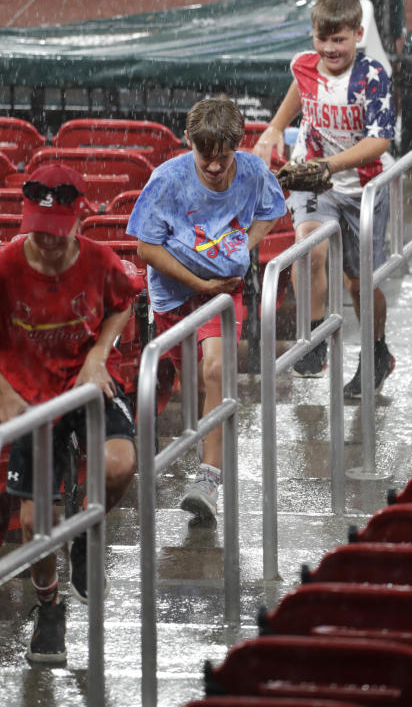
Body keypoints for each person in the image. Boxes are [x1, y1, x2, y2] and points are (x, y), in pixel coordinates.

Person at [0, 163, 143, 664]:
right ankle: (48, 605)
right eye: (40, 231)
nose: (48, 244)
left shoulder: (98, 260)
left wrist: (99, 352)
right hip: (32, 395)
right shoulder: (3, 267)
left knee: (120, 464)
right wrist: (2, 388)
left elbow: (124, 303)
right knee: (34, 522)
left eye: (58, 233)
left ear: (78, 219)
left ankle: (81, 534)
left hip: (85, 383)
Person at [127, 96, 286, 521]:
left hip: (222, 291)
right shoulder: (167, 180)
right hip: (175, 292)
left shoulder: (252, 170)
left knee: (216, 370)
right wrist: (200, 282)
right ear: (188, 143)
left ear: (238, 145)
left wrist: (243, 245)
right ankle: (206, 449)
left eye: (223, 157)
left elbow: (273, 208)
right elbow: (145, 247)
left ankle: (209, 477)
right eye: (205, 157)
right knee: (194, 385)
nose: (214, 167)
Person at [253, 0, 396, 399]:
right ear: (312, 36)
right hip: (315, 179)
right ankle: (314, 339)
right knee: (309, 248)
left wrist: (330, 166)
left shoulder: (372, 78)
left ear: (358, 35)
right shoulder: (304, 65)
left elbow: (380, 141)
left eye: (340, 40)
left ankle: (376, 353)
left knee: (358, 282)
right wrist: (276, 126)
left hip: (361, 186)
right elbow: (301, 87)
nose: (330, 49)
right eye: (323, 39)